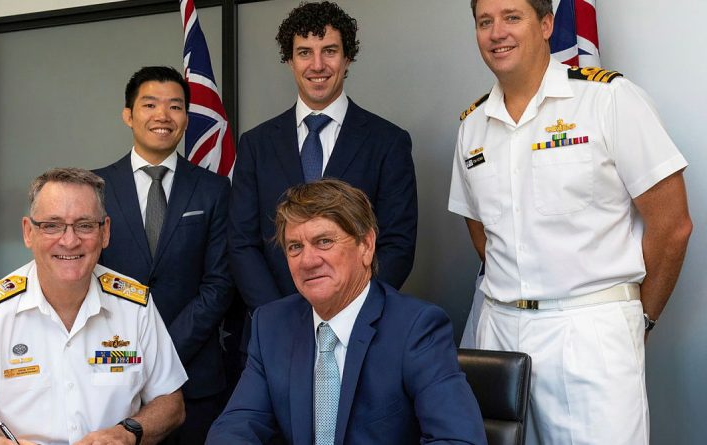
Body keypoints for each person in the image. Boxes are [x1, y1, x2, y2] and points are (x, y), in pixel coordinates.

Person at [448, 0, 693, 443]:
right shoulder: (472, 126)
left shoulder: (608, 99)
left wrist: (643, 320)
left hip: (589, 332)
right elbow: (483, 232)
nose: (496, 32)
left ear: (546, 25)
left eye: (511, 17)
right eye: (485, 22)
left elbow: (673, 225)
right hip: (499, 332)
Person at [0, 167, 187, 445]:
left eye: (84, 225)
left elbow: (170, 403)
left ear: (105, 232)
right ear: (28, 232)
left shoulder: (135, 306)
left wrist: (127, 432)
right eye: (52, 225)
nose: (69, 241)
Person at [209, 179, 486, 445]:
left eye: (324, 242)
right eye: (295, 247)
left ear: (366, 245)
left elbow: (458, 438)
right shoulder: (272, 325)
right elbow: (235, 428)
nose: (308, 260)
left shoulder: (417, 328)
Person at [228, 1, 418, 334]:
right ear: (289, 61)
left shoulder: (388, 141)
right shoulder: (255, 145)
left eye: (329, 50)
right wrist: (281, 316)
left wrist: (348, 313)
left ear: (347, 58)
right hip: (273, 331)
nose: (317, 65)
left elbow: (397, 244)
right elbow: (243, 244)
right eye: (304, 53)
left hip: (361, 330)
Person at [93, 66, 233, 444]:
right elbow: (84, 276)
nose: (162, 116)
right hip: (111, 370)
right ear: (128, 115)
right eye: (150, 104)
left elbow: (219, 283)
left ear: (186, 118)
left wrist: (164, 349)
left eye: (175, 106)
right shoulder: (94, 187)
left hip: (194, 376)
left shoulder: (214, 190)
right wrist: (135, 353)